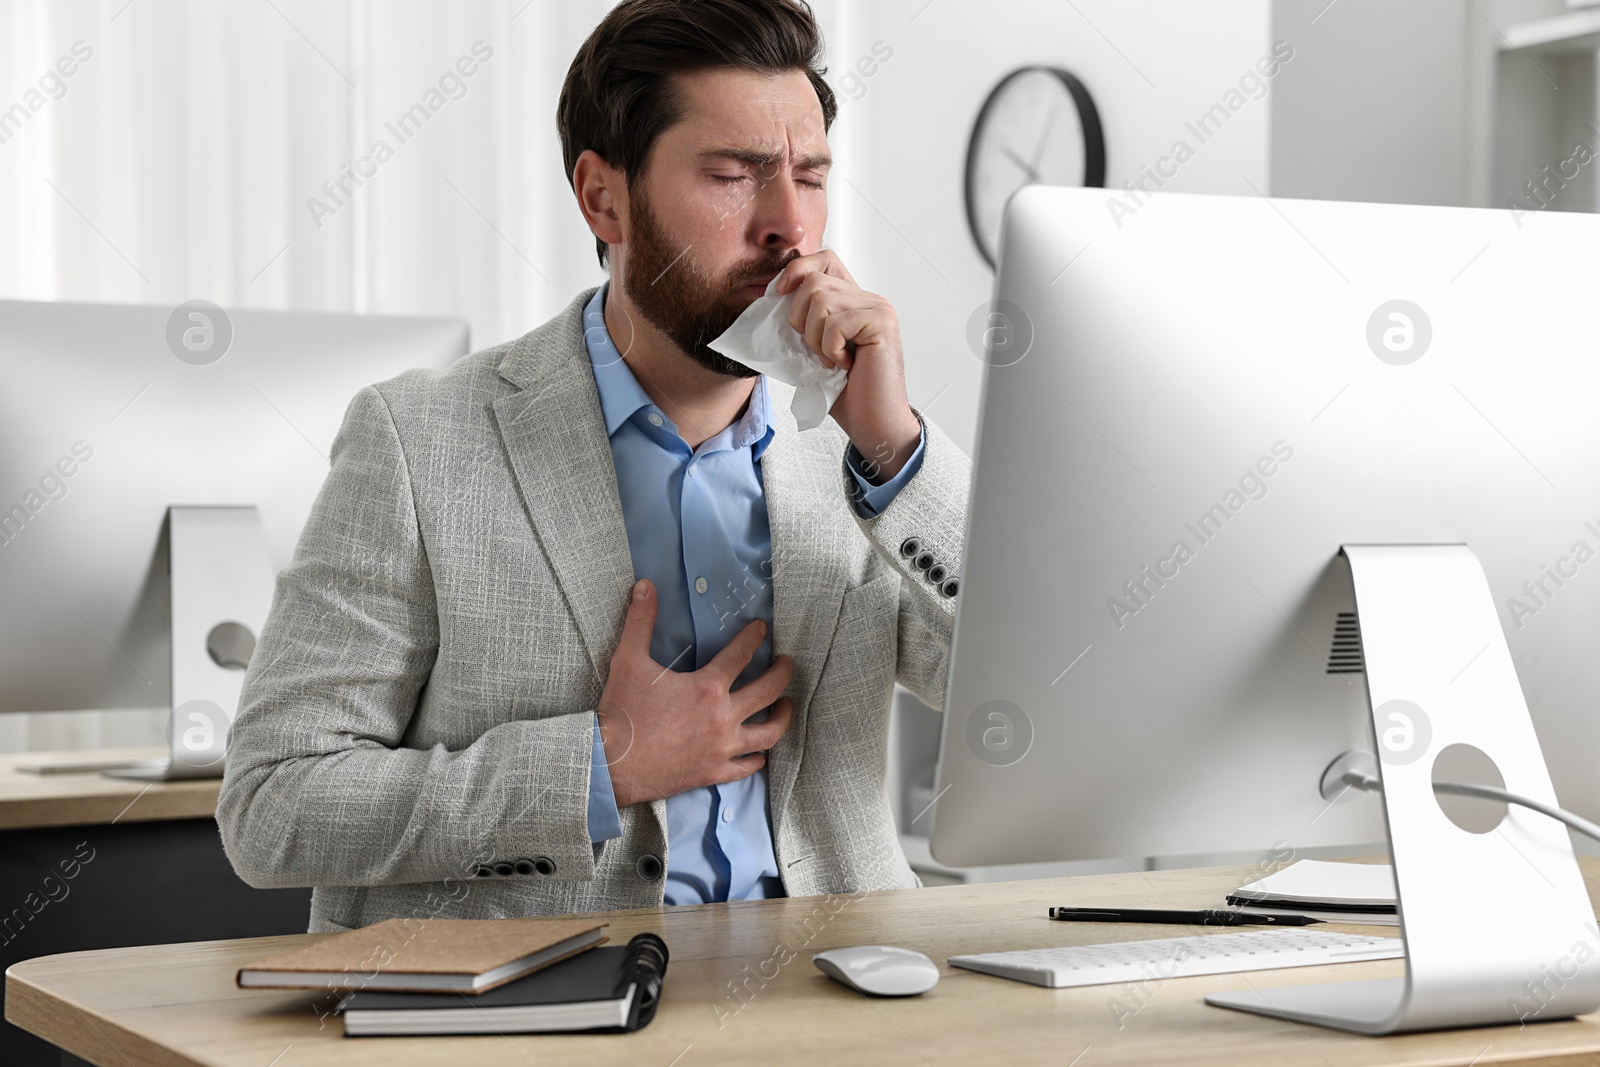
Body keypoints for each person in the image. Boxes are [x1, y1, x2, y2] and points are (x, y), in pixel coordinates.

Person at [216, 0, 971, 930]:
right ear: (603, 197)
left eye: (809, 177)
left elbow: (1018, 701)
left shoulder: (861, 451)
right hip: (550, 1012)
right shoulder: (418, 441)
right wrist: (600, 765)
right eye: (734, 174)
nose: (790, 227)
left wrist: (897, 449)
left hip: (836, 990)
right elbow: (273, 805)